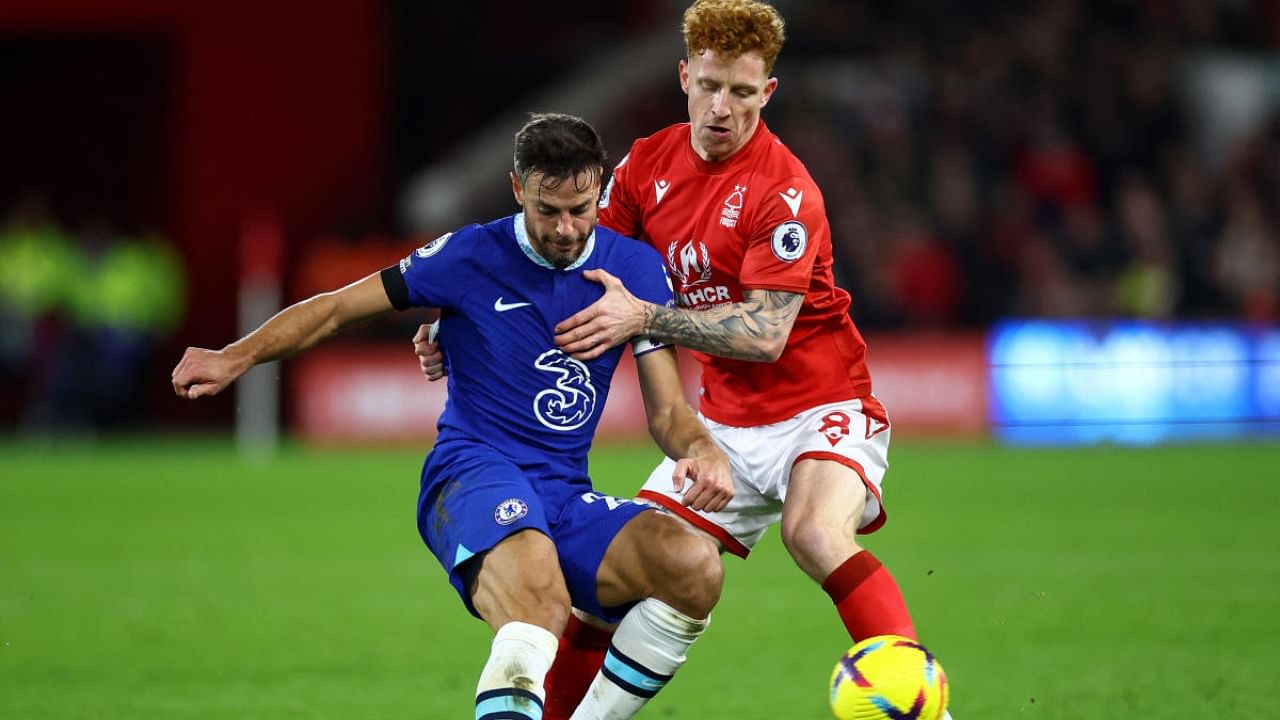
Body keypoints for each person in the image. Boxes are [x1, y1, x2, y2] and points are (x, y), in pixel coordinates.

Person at [415, 3, 956, 718]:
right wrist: (458, 323)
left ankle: (920, 706)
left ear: (768, 93)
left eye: (739, 91)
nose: (721, 108)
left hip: (819, 406)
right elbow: (568, 259)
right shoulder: (646, 165)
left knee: (813, 532)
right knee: (623, 585)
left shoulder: (785, 194)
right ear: (683, 78)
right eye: (708, 86)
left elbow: (764, 334)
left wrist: (645, 316)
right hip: (723, 424)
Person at [173, 113, 735, 720]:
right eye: (548, 210)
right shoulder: (470, 254)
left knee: (693, 567)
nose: (567, 228)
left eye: (581, 208)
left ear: (598, 184)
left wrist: (700, 448)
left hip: (564, 492)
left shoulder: (636, 270)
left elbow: (669, 410)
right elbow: (338, 308)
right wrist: (236, 356)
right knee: (539, 601)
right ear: (518, 187)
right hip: (473, 473)